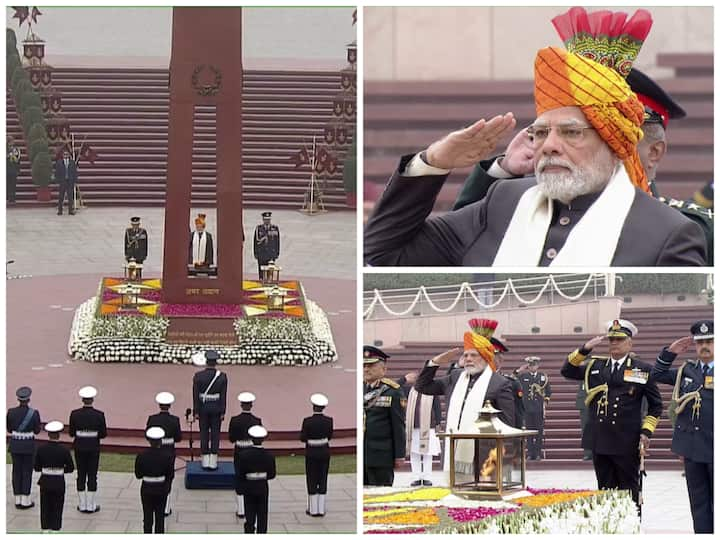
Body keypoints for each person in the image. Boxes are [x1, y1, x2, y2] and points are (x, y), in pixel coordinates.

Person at [363, 7, 706, 267]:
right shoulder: (503, 201)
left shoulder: (670, 233)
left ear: (614, 140)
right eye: (540, 132)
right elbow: (381, 255)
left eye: (571, 132)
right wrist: (433, 162)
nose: (549, 145)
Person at [451, 67, 714, 265]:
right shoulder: (522, 203)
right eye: (581, 132)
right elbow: (459, 247)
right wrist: (505, 171)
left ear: (654, 152)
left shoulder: (687, 229)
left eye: (617, 135)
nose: (608, 146)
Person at [560, 319, 662, 511]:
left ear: (629, 343)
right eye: (612, 339)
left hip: (626, 441)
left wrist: (646, 433)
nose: (614, 343)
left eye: (619, 339)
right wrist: (584, 349)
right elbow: (567, 370)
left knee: (629, 492)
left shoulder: (641, 369)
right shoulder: (596, 366)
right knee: (605, 491)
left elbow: (656, 406)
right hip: (600, 440)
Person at [415, 329, 515, 474]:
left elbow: (507, 422)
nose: (468, 359)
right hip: (453, 448)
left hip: (483, 454)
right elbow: (422, 386)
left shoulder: (500, 383)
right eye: (466, 355)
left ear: (485, 357)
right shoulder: (455, 377)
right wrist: (434, 363)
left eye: (473, 355)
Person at [650, 320, 713, 533]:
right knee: (699, 504)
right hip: (692, 449)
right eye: (700, 342)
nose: (704, 346)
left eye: (710, 341)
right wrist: (670, 352)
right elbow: (656, 374)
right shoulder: (687, 370)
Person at [363, 345, 406, 486]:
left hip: (381, 455)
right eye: (364, 366)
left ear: (384, 369)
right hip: (362, 454)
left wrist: (399, 455)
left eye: (371, 366)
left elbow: (398, 426)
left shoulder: (392, 392)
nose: (366, 369)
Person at [69, 385, 107, 513]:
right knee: (92, 474)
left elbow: (71, 433)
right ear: (92, 399)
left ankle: (82, 504)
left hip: (79, 446)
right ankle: (91, 504)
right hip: (93, 447)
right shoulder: (99, 415)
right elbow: (103, 434)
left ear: (82, 399)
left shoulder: (74, 414)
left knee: (81, 474)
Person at [400, 371, 441, 487]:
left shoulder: (432, 391)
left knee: (428, 453)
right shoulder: (408, 391)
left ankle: (427, 477)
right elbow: (397, 389)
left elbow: (437, 407)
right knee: (414, 454)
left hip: (428, 427)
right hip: (413, 426)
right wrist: (404, 379)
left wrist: (438, 422)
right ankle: (416, 477)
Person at [34, 421, 75, 533]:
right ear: (59, 434)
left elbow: (37, 467)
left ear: (48, 435)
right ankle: (56, 529)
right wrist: (60, 470)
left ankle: (45, 529)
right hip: (58, 481)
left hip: (45, 481)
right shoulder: (64, 450)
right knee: (58, 506)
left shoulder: (41, 449)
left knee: (45, 506)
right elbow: (71, 468)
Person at [146, 392, 182, 517]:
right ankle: (166, 507)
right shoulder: (174, 420)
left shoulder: (152, 419)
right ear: (170, 405)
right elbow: (178, 438)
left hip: (156, 449)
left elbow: (147, 435)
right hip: (169, 450)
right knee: (168, 477)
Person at [236, 425, 276, 534]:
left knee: (249, 514)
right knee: (262, 515)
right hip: (262, 486)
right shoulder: (269, 456)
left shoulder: (243, 455)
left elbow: (240, 474)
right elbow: (272, 475)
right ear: (263, 439)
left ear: (251, 438)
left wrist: (240, 488)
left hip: (249, 487)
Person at [135, 426, 175, 534]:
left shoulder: (141, 456)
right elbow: (170, 475)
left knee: (147, 518)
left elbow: (138, 475)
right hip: (161, 489)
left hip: (147, 488)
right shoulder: (167, 456)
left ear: (149, 440)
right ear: (161, 440)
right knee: (159, 519)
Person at [7, 386, 41, 509]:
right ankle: (25, 499)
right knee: (27, 471)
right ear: (28, 399)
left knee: (16, 471)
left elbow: (9, 429)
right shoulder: (34, 413)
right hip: (28, 445)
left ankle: (17, 499)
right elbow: (37, 431)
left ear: (18, 399)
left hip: (15, 444)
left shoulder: (11, 412)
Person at [229, 392, 262, 518]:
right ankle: (251, 506)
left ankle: (241, 509)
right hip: (252, 450)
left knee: (239, 478)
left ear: (241, 405)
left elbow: (231, 438)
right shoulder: (257, 420)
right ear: (251, 405)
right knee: (251, 477)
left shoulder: (235, 420)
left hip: (239, 450)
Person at [192, 350, 227, 470]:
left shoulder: (198, 376)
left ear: (206, 362)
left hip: (203, 408)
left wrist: (195, 411)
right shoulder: (222, 376)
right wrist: (223, 411)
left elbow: (195, 395)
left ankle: (205, 461)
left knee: (204, 434)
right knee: (215, 434)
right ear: (216, 362)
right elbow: (223, 396)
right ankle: (213, 462)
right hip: (216, 408)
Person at [300, 393, 333, 516]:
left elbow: (303, 438)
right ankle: (321, 509)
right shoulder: (329, 420)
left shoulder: (307, 421)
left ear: (313, 407)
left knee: (312, 478)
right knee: (323, 477)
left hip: (312, 452)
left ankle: (313, 509)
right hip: (324, 451)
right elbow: (329, 436)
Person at [516, 357, 552, 460]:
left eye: (534, 365)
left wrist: (545, 400)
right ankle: (530, 453)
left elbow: (548, 391)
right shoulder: (523, 376)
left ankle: (538, 453)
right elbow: (513, 378)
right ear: (528, 366)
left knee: (539, 432)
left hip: (538, 408)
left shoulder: (542, 377)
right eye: (530, 365)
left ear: (538, 365)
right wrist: (519, 370)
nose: (532, 367)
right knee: (529, 432)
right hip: (527, 408)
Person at [253, 211, 280, 280]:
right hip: (261, 254)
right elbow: (255, 241)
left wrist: (277, 253)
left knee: (270, 272)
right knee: (261, 272)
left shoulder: (275, 228)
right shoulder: (259, 229)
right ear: (263, 220)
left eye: (268, 219)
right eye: (265, 219)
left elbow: (277, 241)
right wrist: (255, 253)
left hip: (271, 254)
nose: (267, 221)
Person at [54, 149, 78, 216]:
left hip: (70, 181)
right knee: (61, 197)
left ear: (69, 155)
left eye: (67, 154)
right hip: (62, 181)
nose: (66, 155)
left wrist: (75, 180)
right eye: (64, 154)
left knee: (70, 197)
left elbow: (75, 172)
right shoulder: (59, 162)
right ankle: (60, 210)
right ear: (63, 155)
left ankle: (70, 210)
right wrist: (57, 180)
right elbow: (57, 172)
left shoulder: (72, 162)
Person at [574, 382, 593, 461]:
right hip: (584, 404)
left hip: (596, 403)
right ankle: (587, 453)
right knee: (585, 430)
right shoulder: (583, 373)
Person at [7, 135, 20, 204]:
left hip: (13, 169)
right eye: (11, 141)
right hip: (7, 169)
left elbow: (18, 159)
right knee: (7, 185)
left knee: (13, 184)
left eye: (13, 141)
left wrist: (18, 169)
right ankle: (8, 198)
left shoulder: (16, 149)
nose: (12, 142)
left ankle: (13, 198)